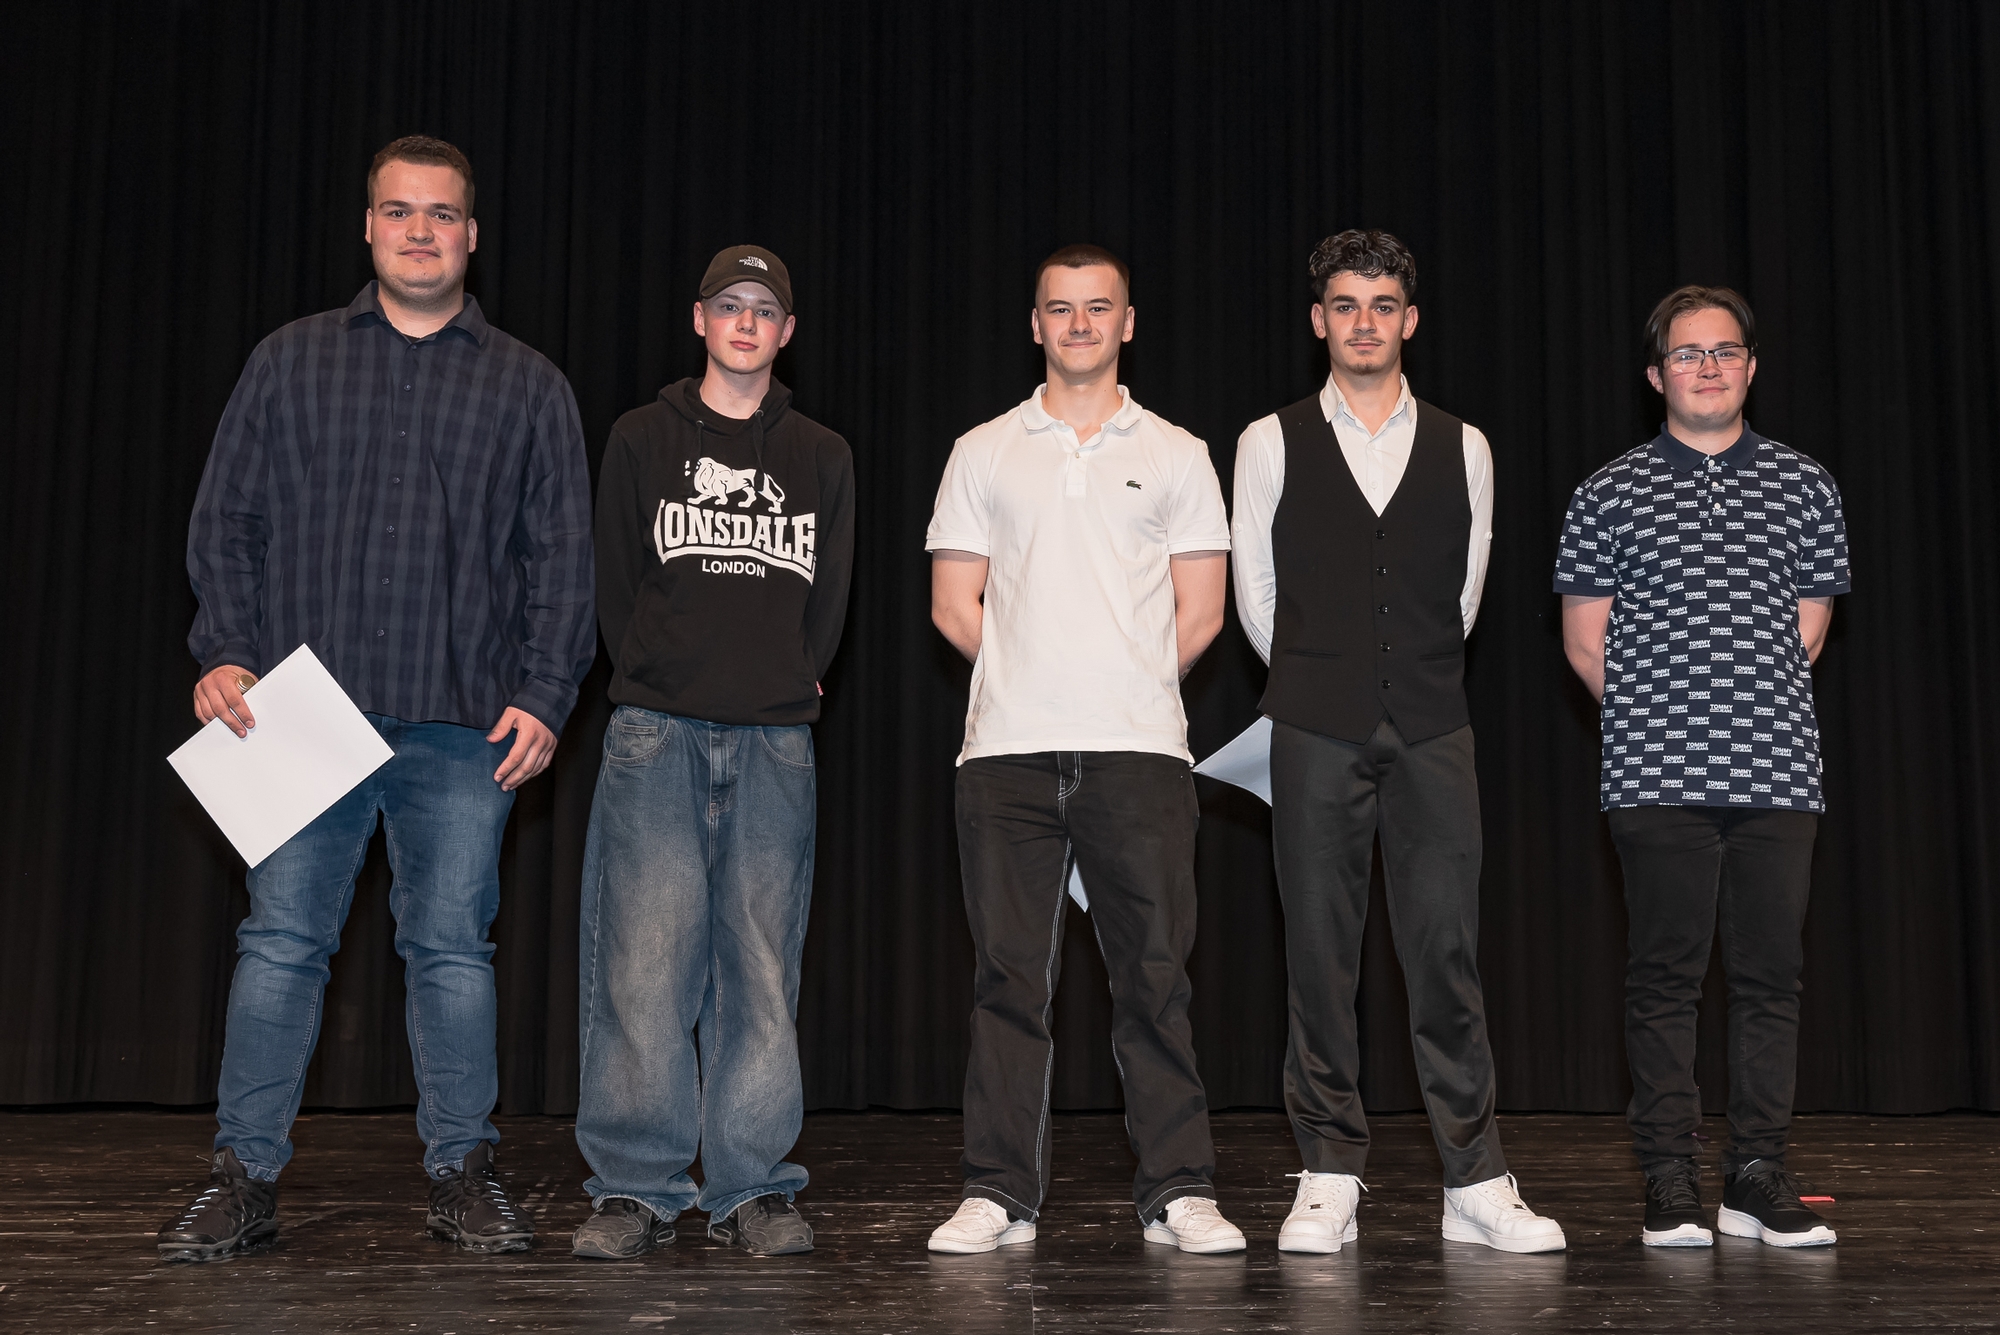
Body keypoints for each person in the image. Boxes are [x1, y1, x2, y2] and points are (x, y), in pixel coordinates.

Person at [163, 136, 595, 1262]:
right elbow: (228, 524)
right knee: (281, 942)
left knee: (451, 950)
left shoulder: (529, 385)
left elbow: (562, 561)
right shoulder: (288, 360)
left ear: (471, 236)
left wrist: (547, 692)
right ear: (368, 226)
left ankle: (463, 1176)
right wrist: (226, 650)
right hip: (302, 712)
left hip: (461, 720)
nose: (419, 231)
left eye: (441, 214)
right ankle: (241, 1179)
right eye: (399, 211)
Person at [1232, 229, 1565, 1255]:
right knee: (1317, 955)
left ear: (1409, 320)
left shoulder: (1465, 446)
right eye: (1345, 304)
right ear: (1318, 319)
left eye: (1382, 305)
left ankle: (1474, 1176)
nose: (1364, 322)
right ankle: (1328, 1171)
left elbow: (1461, 600)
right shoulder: (1268, 440)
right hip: (1313, 725)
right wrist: (1326, 680)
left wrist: (1397, 675)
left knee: (1445, 951)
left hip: (1431, 725)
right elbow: (1257, 599)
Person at [922, 245, 1243, 1256]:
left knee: (1154, 978)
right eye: (1060, 309)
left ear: (1126, 323)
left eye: (1097, 307)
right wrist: (1031, 672)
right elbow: (952, 603)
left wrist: (1119, 678)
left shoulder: (1180, 452)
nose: (1078, 324)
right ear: (1035, 325)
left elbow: (1202, 614)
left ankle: (1180, 1189)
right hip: (1006, 756)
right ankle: (997, 1192)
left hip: (1137, 753)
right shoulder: (983, 450)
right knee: (1007, 982)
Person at [569, 246, 854, 1259]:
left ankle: (751, 1186)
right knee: (642, 961)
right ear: (699, 319)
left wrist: (788, 681)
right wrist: (655, 676)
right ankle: (634, 1185)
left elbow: (829, 602)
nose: (744, 323)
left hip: (776, 737)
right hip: (657, 731)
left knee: (760, 968)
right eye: (728, 305)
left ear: (785, 332)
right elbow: (613, 581)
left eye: (763, 310)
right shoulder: (641, 437)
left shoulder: (821, 454)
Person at [1556, 285, 1848, 1249]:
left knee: (1771, 978)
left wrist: (1740, 712)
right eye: (1687, 354)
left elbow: (1807, 631)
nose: (1708, 367)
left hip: (1777, 772)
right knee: (1664, 977)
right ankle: (1669, 1175)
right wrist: (1661, 723)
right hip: (1655, 775)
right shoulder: (1607, 491)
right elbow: (1587, 645)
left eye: (1725, 351)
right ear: (1657, 375)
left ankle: (1756, 1172)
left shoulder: (1806, 484)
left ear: (1751, 367)